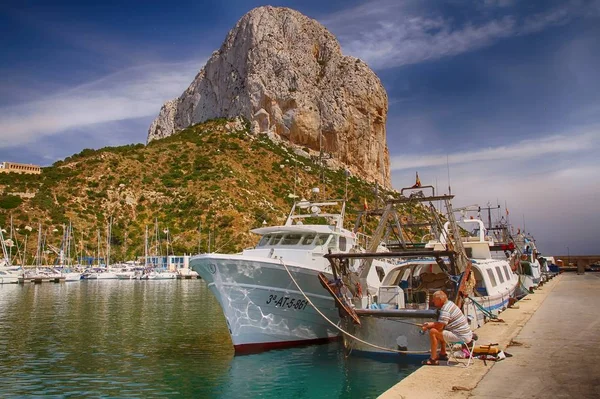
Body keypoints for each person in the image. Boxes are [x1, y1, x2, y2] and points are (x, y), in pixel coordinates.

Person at [420, 290, 473, 365]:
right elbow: (441, 326)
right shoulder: (450, 304)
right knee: (441, 331)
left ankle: (433, 359)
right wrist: (429, 324)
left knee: (433, 332)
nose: (432, 301)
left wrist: (428, 326)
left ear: (440, 300)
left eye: (434, 300)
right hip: (466, 335)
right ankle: (442, 354)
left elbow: (439, 326)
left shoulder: (445, 310)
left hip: (461, 337)